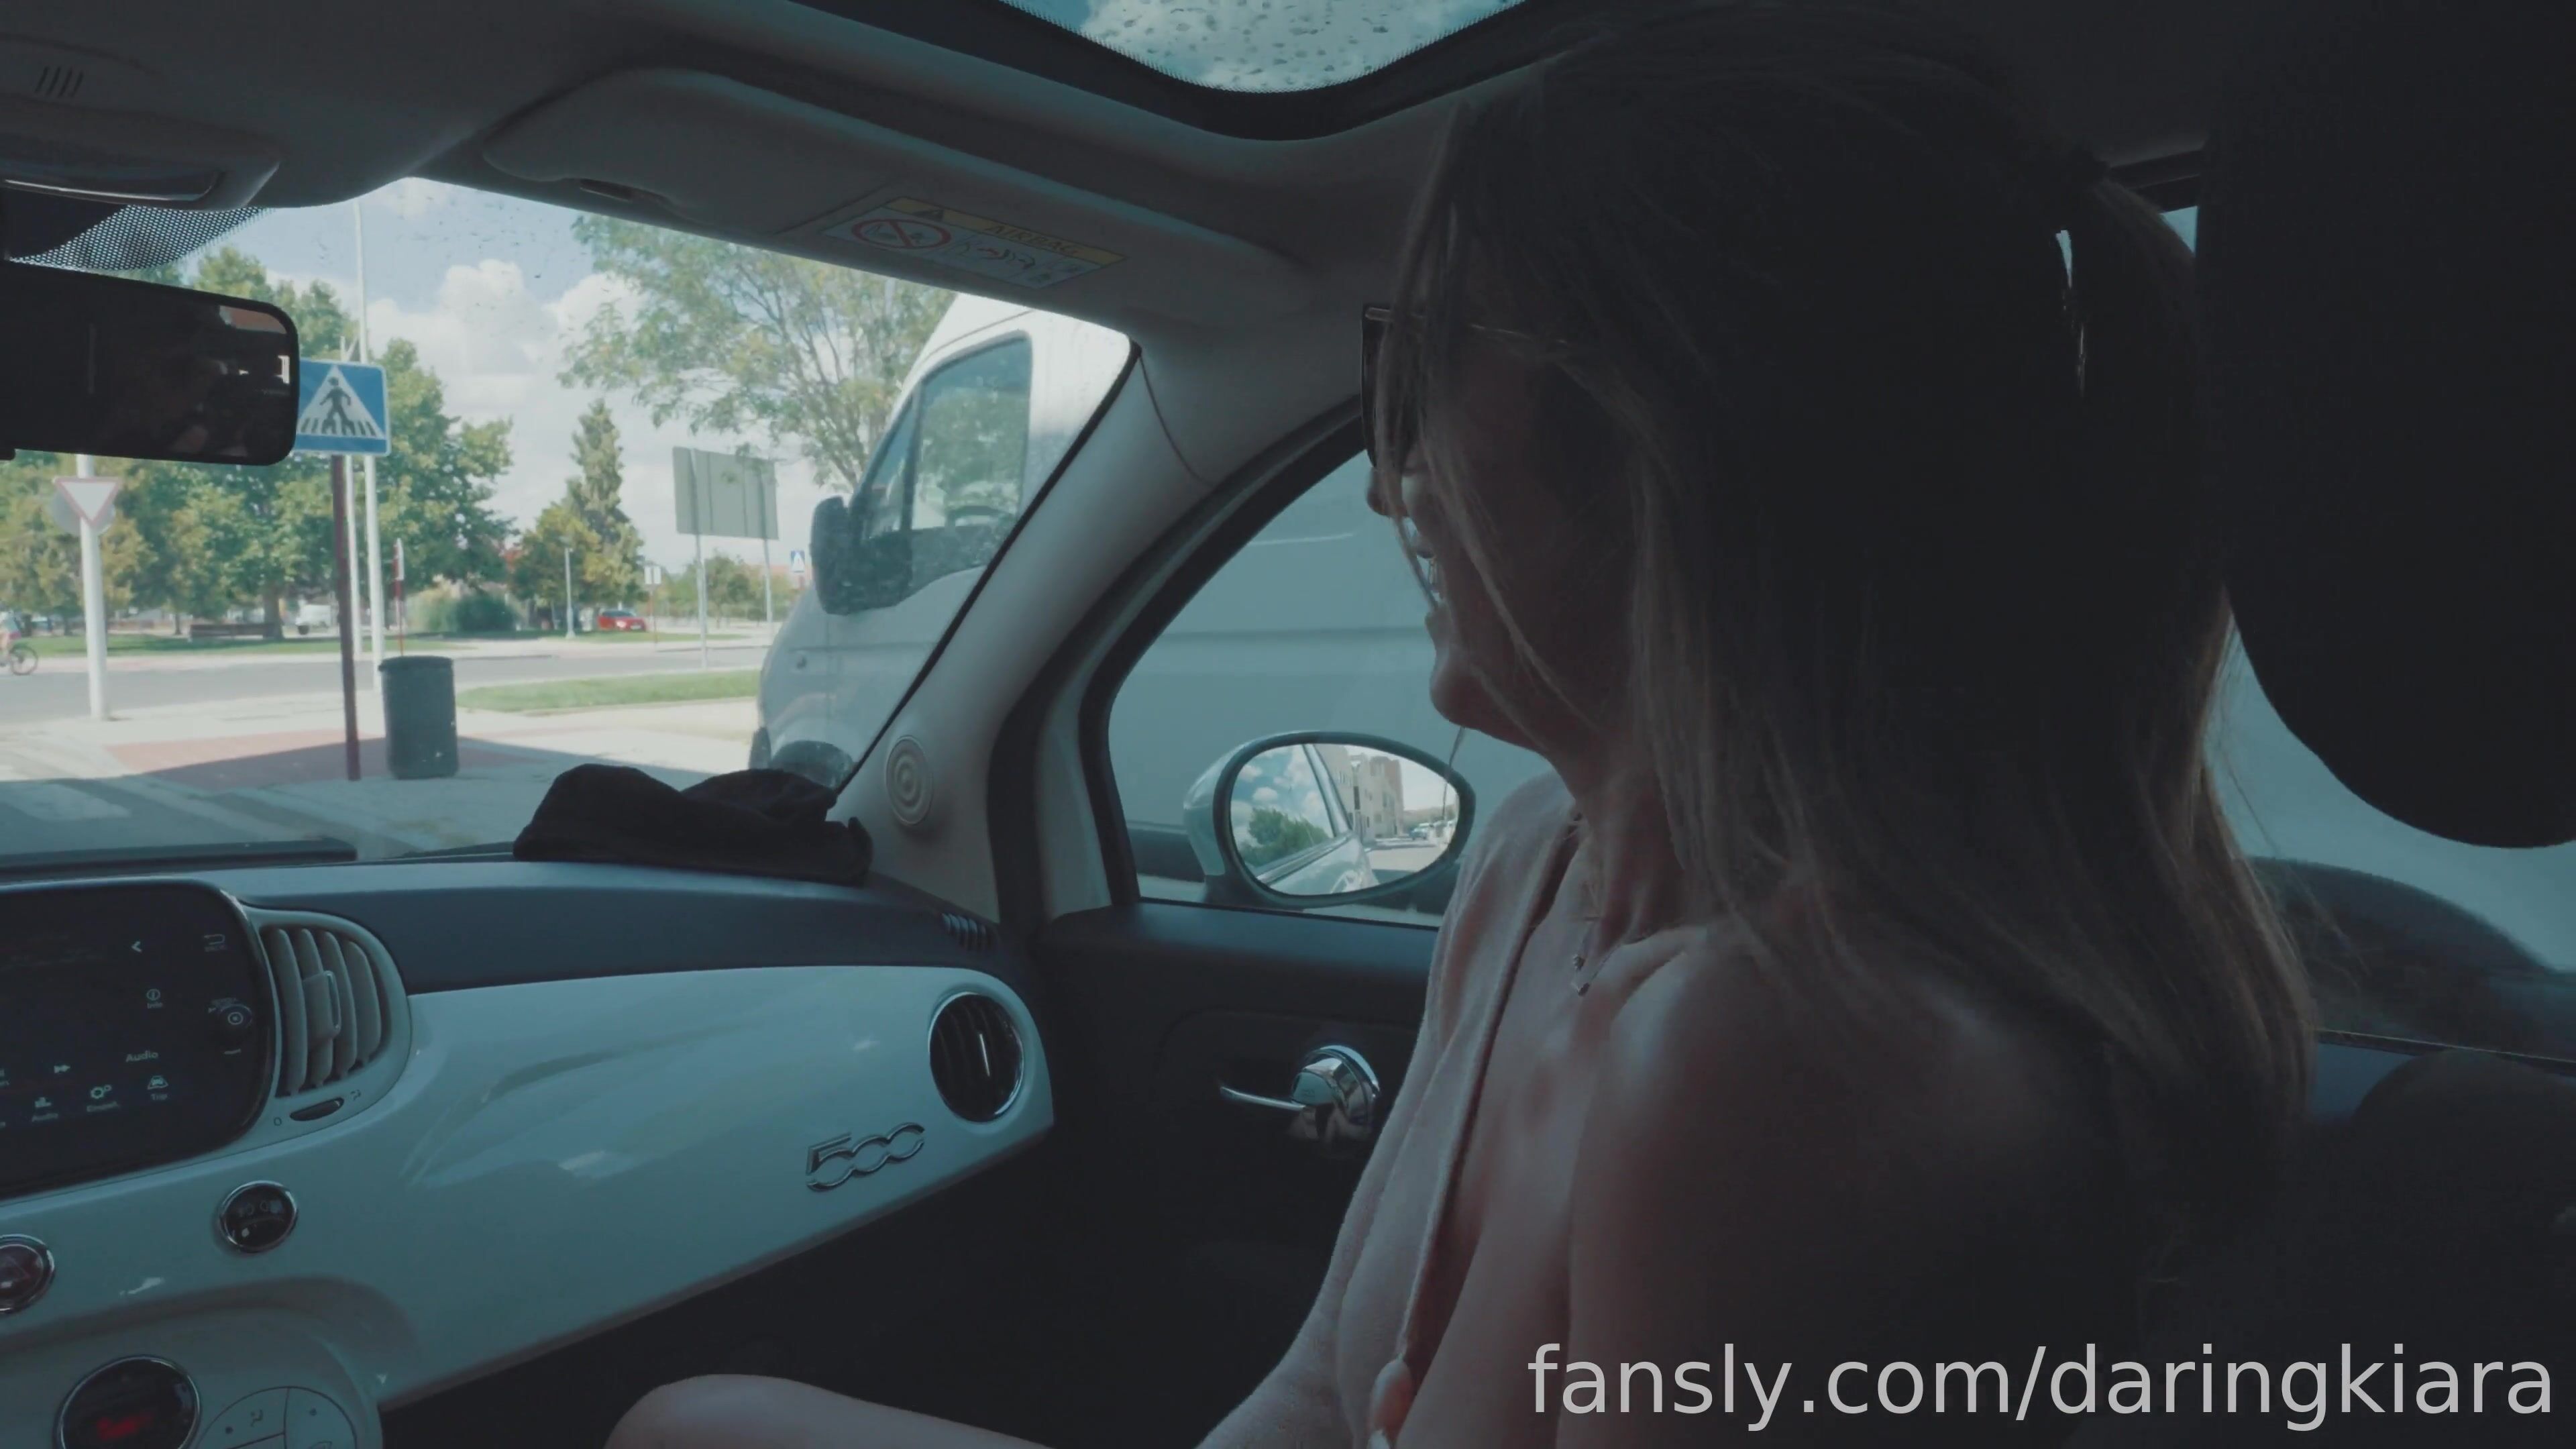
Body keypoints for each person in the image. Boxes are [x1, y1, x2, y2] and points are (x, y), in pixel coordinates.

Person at [608, 3, 2313, 1444]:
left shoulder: (1771, 1062)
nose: (1386, 472)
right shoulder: (1532, 872)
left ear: (1653, 445)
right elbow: (1321, 1390)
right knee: (694, 1422)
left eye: (1422, 362)